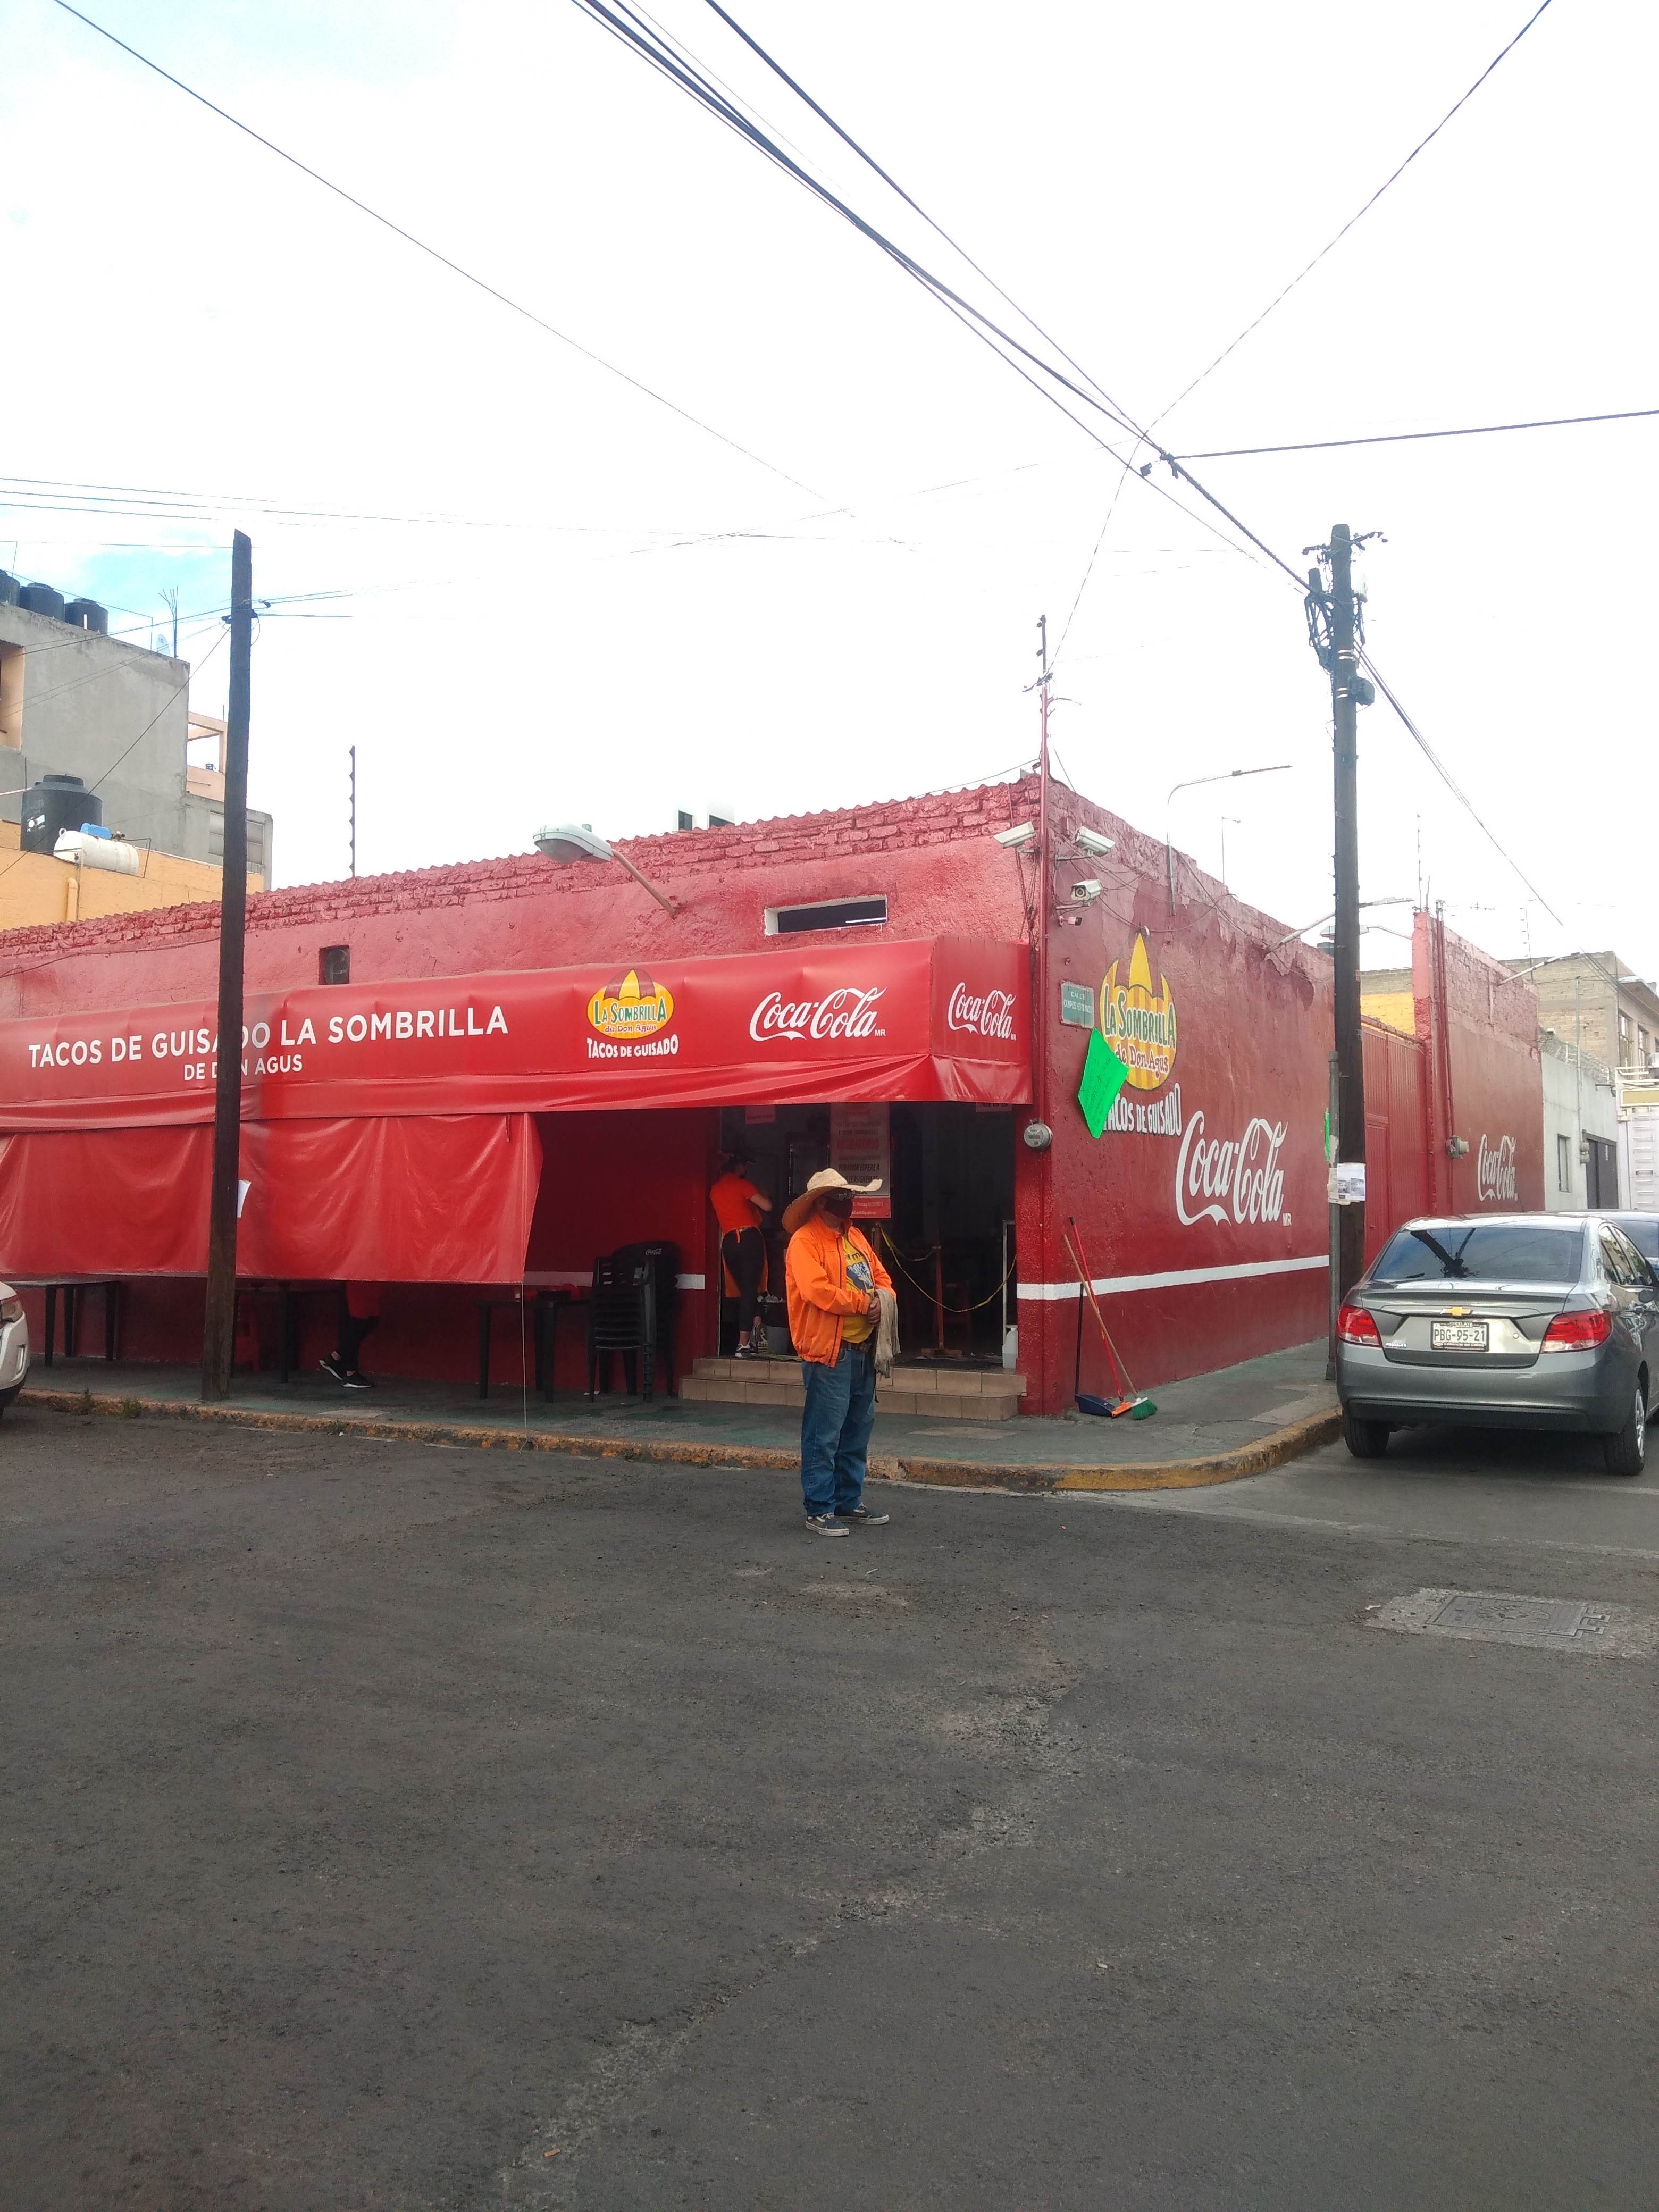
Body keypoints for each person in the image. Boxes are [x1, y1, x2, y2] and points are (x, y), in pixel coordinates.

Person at [783, 1168, 894, 1536]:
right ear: (822, 1202)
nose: (849, 1203)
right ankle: (819, 1507)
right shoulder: (804, 1242)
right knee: (824, 1434)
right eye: (842, 1197)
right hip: (831, 1352)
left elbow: (881, 1277)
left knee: (856, 1431)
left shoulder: (856, 1237)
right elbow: (817, 1291)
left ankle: (848, 1501)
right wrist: (865, 1305)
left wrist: (879, 1299)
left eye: (849, 1196)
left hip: (861, 1349)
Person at [709, 1149, 773, 1357]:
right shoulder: (742, 1185)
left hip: (728, 1240)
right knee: (749, 1291)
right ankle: (743, 1344)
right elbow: (768, 1207)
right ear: (738, 1167)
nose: (745, 1170)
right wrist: (762, 1193)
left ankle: (756, 1332)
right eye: (744, 1166)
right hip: (748, 1239)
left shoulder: (715, 1190)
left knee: (744, 1291)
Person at [321, 1282, 380, 1389]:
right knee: (359, 1319)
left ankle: (336, 1357)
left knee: (372, 1320)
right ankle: (350, 1373)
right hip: (358, 1274)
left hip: (369, 1275)